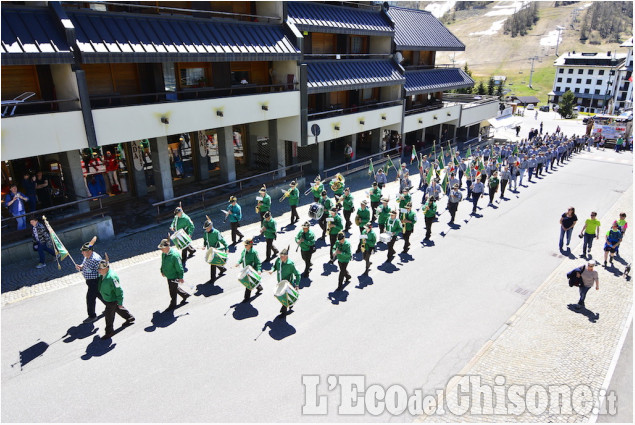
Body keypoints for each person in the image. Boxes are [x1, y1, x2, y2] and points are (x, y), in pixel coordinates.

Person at [97, 256, 134, 339]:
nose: (99, 271)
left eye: (100, 269)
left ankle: (109, 332)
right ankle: (129, 317)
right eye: (98, 269)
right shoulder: (103, 274)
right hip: (108, 298)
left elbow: (119, 290)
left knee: (108, 316)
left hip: (112, 300)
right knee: (117, 308)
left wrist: (120, 302)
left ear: (106, 268)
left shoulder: (112, 278)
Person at [75, 240, 104, 322]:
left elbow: (101, 271)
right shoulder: (87, 257)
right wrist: (81, 267)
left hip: (95, 281)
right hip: (90, 281)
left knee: (90, 299)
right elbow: (85, 264)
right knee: (100, 295)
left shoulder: (95, 259)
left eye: (83, 251)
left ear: (90, 251)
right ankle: (112, 306)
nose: (82, 253)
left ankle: (92, 316)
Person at [158, 238, 190, 310]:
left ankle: (173, 305)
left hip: (173, 276)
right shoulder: (163, 254)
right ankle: (185, 295)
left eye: (162, 248)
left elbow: (179, 267)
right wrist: (162, 270)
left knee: (172, 291)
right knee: (174, 287)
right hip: (168, 275)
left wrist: (181, 277)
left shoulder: (174, 256)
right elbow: (163, 263)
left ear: (167, 247)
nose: (161, 250)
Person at [269, 247, 301, 315]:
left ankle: (284, 312)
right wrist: (272, 270)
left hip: (287, 285)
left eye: (282, 257)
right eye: (280, 256)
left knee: (284, 297)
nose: (281, 258)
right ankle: (289, 304)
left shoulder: (290, 264)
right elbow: (275, 266)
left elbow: (297, 274)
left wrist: (297, 284)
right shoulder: (278, 260)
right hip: (280, 283)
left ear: (286, 256)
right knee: (284, 297)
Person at [202, 218, 228, 283]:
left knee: (212, 264)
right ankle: (222, 269)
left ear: (211, 227)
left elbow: (222, 240)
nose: (206, 229)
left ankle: (213, 279)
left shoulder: (216, 232)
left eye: (207, 228)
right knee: (215, 262)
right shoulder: (205, 233)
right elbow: (205, 240)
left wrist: (226, 247)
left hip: (216, 250)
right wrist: (204, 245)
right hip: (210, 250)